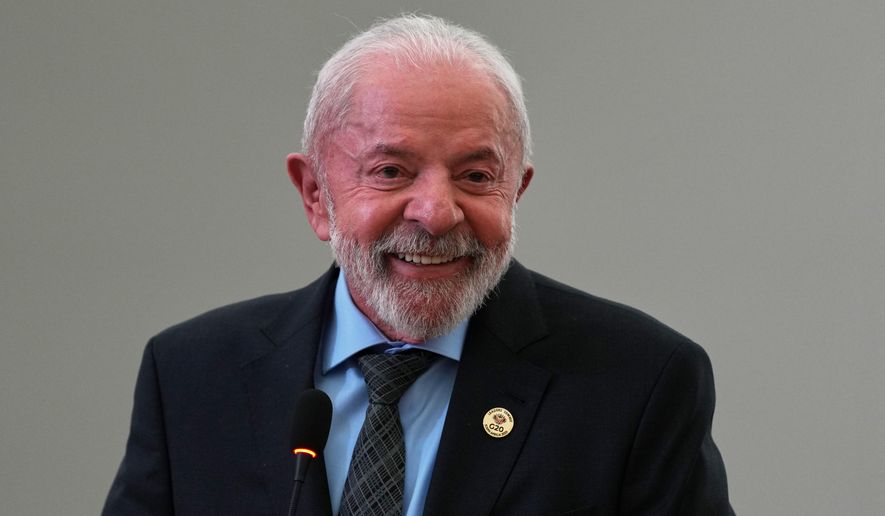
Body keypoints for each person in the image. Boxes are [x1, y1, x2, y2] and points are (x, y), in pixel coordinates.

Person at [103, 14, 735, 516]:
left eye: (476, 176)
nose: (436, 213)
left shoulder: (639, 382)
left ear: (516, 191)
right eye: (390, 172)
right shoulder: (192, 376)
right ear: (315, 194)